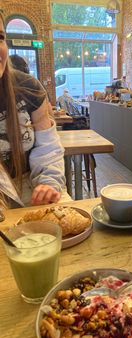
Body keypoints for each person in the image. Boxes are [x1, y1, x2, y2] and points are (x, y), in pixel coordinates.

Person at [0, 12, 70, 208]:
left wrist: (49, 183)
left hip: (31, 190)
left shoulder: (28, 87)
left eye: (0, 37)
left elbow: (48, 149)